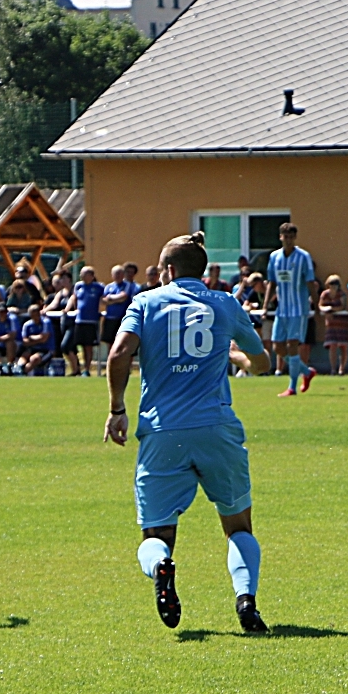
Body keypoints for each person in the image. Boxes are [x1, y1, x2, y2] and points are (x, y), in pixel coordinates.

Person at [103, 231, 273, 633]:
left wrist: (116, 409)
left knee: (156, 533)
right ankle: (246, 600)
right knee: (237, 524)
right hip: (217, 428)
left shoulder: (145, 302)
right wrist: (237, 358)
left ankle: (162, 565)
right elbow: (261, 362)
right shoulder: (226, 302)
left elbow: (119, 353)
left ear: (167, 270)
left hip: (163, 432)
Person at [263, 222, 319, 396]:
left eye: (290, 237)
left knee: (293, 345)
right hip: (282, 309)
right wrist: (266, 305)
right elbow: (272, 282)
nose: (287, 240)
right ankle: (307, 372)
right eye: (284, 237)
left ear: (295, 238)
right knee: (277, 347)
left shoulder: (303, 257)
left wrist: (316, 305)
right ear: (280, 237)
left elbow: (310, 282)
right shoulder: (274, 257)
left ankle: (292, 387)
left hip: (298, 309)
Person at [71, 266, 106, 376]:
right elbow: (74, 298)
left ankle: (86, 369)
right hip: (79, 320)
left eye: (84, 273)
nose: (81, 276)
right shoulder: (78, 286)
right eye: (81, 273)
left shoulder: (99, 287)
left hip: (91, 321)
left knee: (88, 346)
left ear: (91, 276)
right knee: (76, 345)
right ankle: (77, 368)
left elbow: (103, 299)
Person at [101, 266, 134, 369]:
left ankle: (125, 367)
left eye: (119, 273)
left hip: (122, 319)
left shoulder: (127, 285)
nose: (117, 275)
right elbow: (103, 300)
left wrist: (111, 298)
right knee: (110, 344)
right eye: (115, 273)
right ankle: (111, 367)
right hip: (110, 318)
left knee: (124, 344)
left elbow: (123, 297)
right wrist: (114, 299)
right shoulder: (108, 287)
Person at [318, 274, 348, 375]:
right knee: (332, 346)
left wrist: (331, 310)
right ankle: (333, 369)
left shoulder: (342, 294)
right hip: (331, 324)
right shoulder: (325, 294)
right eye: (332, 283)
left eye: (336, 283)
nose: (334, 286)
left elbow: (342, 306)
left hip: (342, 323)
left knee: (343, 346)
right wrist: (325, 310)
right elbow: (320, 305)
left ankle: (342, 368)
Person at [19, 304, 53, 375]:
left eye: (37, 315)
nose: (35, 317)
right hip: (32, 349)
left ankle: (23, 373)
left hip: (45, 349)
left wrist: (31, 338)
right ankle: (19, 368)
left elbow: (44, 339)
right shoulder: (27, 325)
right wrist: (38, 339)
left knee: (34, 359)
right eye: (33, 315)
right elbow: (24, 341)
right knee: (23, 357)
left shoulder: (46, 322)